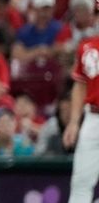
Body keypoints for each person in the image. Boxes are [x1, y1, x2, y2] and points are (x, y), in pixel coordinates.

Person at [63, 31, 99, 203]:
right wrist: (74, 122)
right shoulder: (88, 46)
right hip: (92, 117)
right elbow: (80, 85)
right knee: (81, 184)